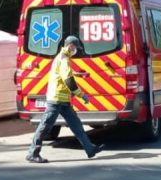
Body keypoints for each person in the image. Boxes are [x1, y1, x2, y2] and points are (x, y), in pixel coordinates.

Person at [26, 35, 105, 164]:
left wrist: (76, 74)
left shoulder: (64, 58)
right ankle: (33, 153)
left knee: (77, 126)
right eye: (75, 48)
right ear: (70, 46)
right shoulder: (63, 58)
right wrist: (81, 95)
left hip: (64, 100)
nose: (76, 51)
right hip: (56, 100)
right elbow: (68, 80)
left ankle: (90, 149)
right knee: (45, 126)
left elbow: (65, 75)